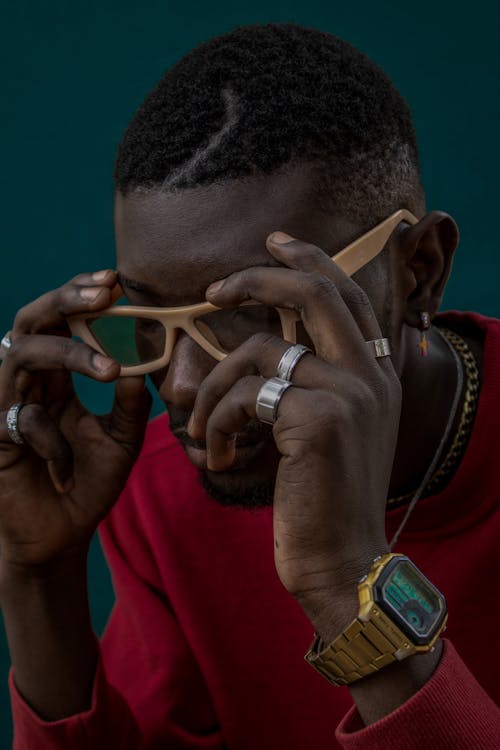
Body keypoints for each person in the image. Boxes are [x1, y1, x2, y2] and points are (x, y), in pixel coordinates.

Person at [0, 23, 499, 750]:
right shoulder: (170, 482)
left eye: (257, 311)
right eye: (151, 317)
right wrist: (37, 579)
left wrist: (346, 580)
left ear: (418, 269)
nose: (184, 384)